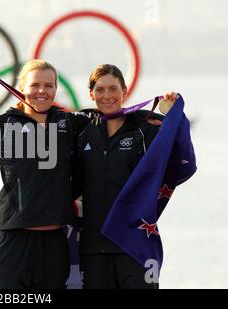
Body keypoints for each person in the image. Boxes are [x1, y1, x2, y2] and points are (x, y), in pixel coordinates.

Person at [0, 59, 97, 289]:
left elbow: (112, 117)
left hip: (54, 245)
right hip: (12, 242)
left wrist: (161, 116)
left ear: (55, 89)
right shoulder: (3, 128)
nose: (42, 91)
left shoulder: (68, 123)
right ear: (22, 88)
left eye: (49, 85)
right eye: (35, 85)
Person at [72, 64, 179, 289]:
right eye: (100, 90)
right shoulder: (82, 131)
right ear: (91, 94)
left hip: (135, 244)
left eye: (113, 88)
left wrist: (171, 116)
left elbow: (178, 154)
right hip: (94, 247)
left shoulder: (145, 128)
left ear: (125, 91)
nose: (107, 95)